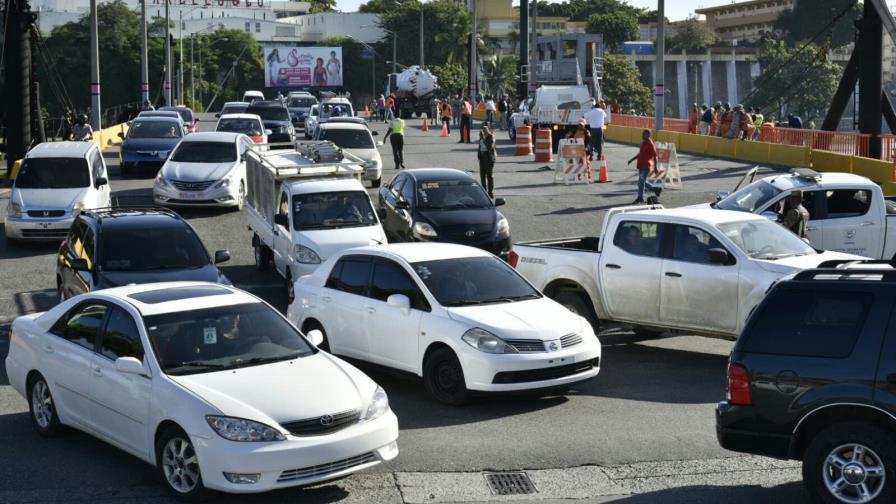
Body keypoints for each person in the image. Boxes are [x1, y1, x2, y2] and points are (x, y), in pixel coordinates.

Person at [627, 129, 657, 204]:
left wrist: (656, 168)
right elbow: (640, 154)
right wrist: (632, 159)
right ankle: (655, 188)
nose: (642, 135)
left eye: (644, 134)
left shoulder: (651, 144)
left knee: (641, 181)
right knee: (641, 182)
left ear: (648, 135)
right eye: (642, 134)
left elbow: (655, 156)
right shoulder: (643, 142)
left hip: (646, 166)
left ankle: (640, 198)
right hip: (641, 165)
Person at [477, 124, 497, 198]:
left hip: (488, 157)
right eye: (482, 129)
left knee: (489, 176)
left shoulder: (491, 137)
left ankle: (490, 192)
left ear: (488, 130)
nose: (484, 131)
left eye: (485, 129)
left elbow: (489, 147)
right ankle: (484, 192)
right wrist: (478, 155)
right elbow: (479, 147)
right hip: (482, 157)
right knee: (482, 176)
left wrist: (484, 139)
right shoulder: (481, 137)